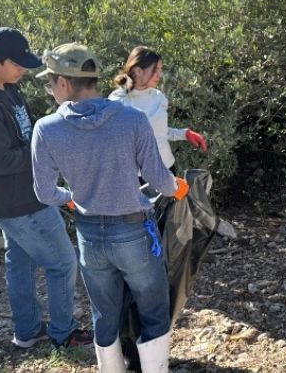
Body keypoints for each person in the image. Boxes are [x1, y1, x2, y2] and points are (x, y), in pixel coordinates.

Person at [31, 42, 187, 373]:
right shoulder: (131, 119)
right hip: (133, 231)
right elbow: (160, 180)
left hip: (90, 236)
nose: (49, 89)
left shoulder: (46, 129)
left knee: (105, 314)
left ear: (63, 83)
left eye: (50, 82)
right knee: (153, 310)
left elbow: (45, 193)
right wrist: (178, 187)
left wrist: (70, 198)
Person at [0, 28, 92, 349]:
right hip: (20, 203)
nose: (23, 70)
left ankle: (28, 331)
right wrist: (43, 148)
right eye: (17, 63)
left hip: (22, 197)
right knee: (63, 262)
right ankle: (64, 333)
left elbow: (30, 127)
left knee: (21, 264)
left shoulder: (9, 87)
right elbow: (1, 161)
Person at [108, 46, 207, 170]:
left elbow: (159, 132)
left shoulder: (158, 97)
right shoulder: (118, 101)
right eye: (155, 69)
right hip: (136, 176)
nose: (160, 74)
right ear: (138, 71)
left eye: (161, 69)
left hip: (167, 168)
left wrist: (184, 134)